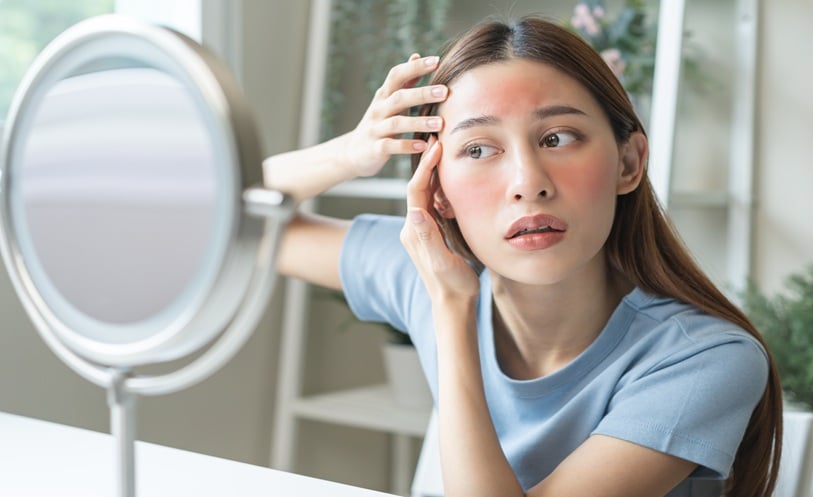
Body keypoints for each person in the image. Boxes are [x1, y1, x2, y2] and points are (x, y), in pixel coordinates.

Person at [264, 15, 782, 497]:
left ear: (629, 162)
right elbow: (229, 220)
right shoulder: (428, 271)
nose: (527, 183)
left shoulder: (705, 358)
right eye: (478, 149)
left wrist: (450, 309)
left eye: (557, 138)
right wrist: (352, 152)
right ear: (437, 191)